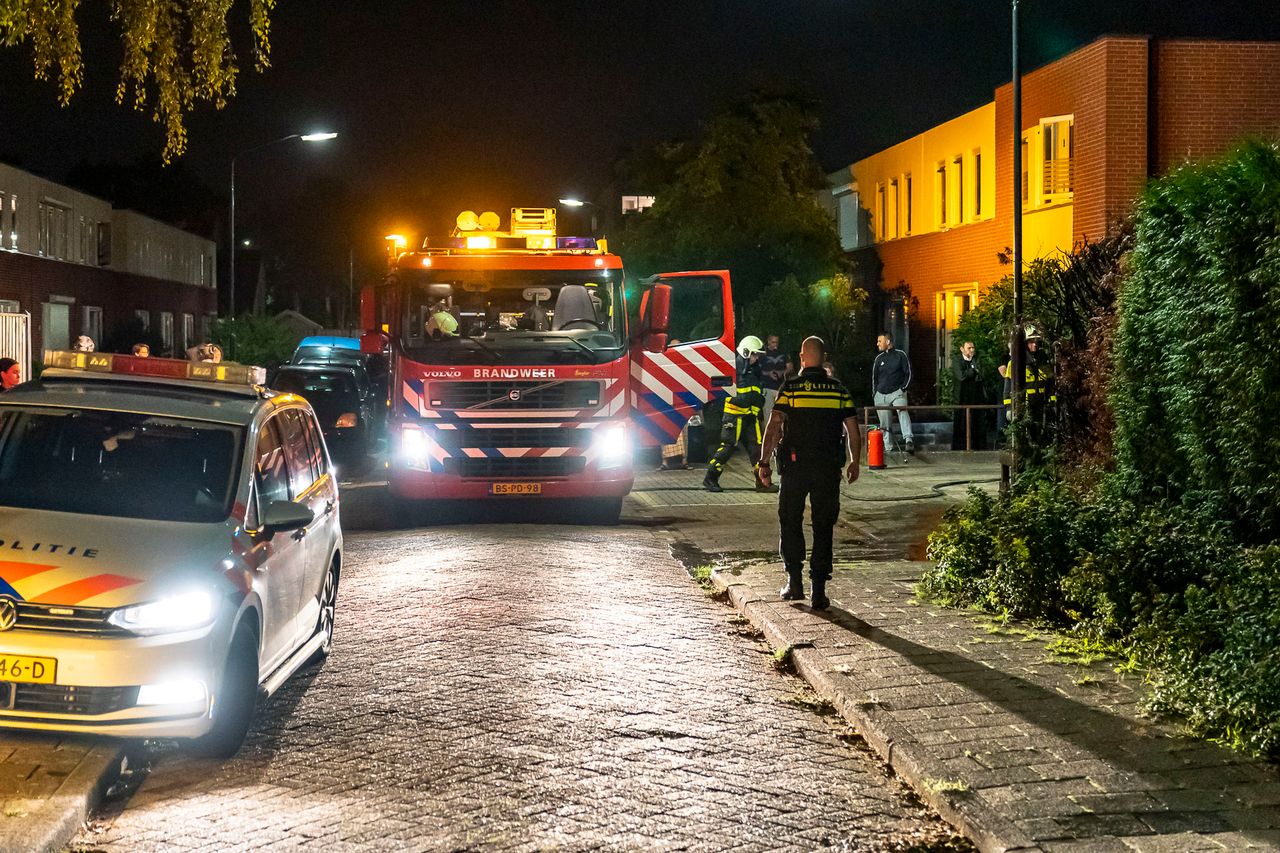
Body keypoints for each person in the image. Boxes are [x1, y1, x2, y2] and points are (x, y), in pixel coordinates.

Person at [759, 336, 860, 610]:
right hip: (827, 468)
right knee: (823, 525)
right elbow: (852, 427)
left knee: (790, 520)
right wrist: (855, 461)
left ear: (802, 358)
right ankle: (819, 590)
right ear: (823, 356)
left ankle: (794, 583)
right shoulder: (837, 390)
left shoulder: (790, 388)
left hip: (794, 467)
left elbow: (774, 424)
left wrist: (764, 462)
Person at [704, 335, 769, 493]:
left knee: (756, 450)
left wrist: (757, 401)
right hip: (734, 417)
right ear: (746, 352)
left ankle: (762, 482)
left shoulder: (753, 369)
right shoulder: (733, 368)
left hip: (750, 416)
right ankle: (710, 478)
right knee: (727, 448)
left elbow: (756, 394)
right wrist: (752, 398)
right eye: (755, 354)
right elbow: (732, 396)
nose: (757, 358)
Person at [872, 332, 914, 455]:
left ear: (888, 341)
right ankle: (888, 446)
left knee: (902, 410)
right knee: (884, 421)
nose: (878, 344)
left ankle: (908, 439)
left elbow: (909, 373)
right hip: (881, 394)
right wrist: (875, 393)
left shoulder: (901, 355)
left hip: (897, 392)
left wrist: (903, 388)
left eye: (880, 341)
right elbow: (874, 377)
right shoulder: (878, 359)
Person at [951, 340, 984, 450]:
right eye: (969, 348)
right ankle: (959, 447)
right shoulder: (957, 360)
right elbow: (960, 376)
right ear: (962, 349)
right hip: (961, 398)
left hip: (975, 397)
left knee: (975, 423)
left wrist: (972, 372)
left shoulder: (976, 360)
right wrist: (973, 371)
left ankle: (976, 447)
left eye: (973, 348)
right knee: (960, 424)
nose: (971, 350)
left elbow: (981, 375)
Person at [758, 335, 791, 429]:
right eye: (773, 342)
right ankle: (768, 438)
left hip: (780, 387)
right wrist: (768, 373)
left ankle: (782, 436)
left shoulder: (783, 353)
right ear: (768, 342)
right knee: (768, 414)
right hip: (767, 387)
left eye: (777, 342)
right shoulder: (762, 354)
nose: (775, 344)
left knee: (781, 413)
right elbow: (757, 370)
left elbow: (790, 367)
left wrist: (782, 372)